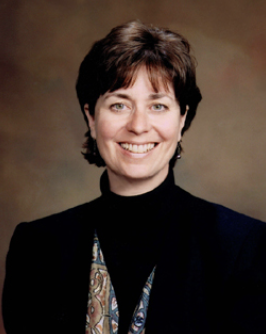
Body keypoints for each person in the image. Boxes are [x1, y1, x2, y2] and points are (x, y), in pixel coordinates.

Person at [2, 21, 266, 334]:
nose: (138, 125)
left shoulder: (245, 247)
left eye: (158, 105)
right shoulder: (37, 247)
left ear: (182, 118)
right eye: (119, 104)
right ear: (91, 117)